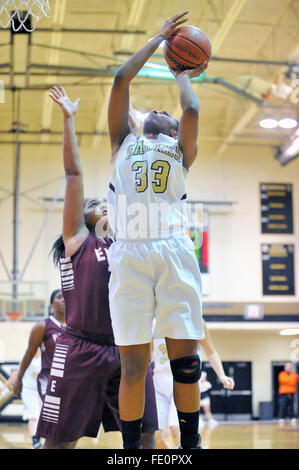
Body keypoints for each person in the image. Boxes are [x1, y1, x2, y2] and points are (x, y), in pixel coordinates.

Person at [107, 11, 208, 449]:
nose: (162, 111)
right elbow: (119, 80)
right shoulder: (123, 142)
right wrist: (159, 39)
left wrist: (181, 69)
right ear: (139, 123)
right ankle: (132, 452)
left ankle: (189, 446)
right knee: (133, 366)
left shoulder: (181, 150)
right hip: (128, 251)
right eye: (154, 111)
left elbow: (191, 107)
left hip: (173, 250)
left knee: (186, 363)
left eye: (165, 113)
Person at [36, 86, 158, 449]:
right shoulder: (78, 241)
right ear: (83, 217)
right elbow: (74, 174)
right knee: (61, 442)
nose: (101, 205)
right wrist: (68, 119)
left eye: (104, 203)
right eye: (94, 204)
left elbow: (136, 184)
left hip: (128, 348)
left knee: (144, 437)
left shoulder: (127, 242)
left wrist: (137, 134)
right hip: (82, 349)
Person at [153, 320, 235, 448]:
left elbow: (210, 351)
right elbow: (146, 354)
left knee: (176, 430)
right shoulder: (152, 322)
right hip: (159, 385)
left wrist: (222, 375)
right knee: (154, 437)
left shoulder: (194, 319)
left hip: (181, 383)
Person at [13, 289, 66, 404]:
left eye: (66, 296)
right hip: (49, 378)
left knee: (67, 419)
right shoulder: (43, 326)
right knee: (51, 416)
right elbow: (29, 353)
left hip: (70, 378)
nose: (63, 299)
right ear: (52, 304)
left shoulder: (76, 327)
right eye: (59, 297)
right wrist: (19, 378)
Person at [0, 351, 42, 449]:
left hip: (40, 392)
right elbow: (16, 374)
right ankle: (35, 440)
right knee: (33, 415)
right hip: (28, 391)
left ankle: (38, 439)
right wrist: (4, 386)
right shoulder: (27, 358)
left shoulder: (45, 356)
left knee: (39, 417)